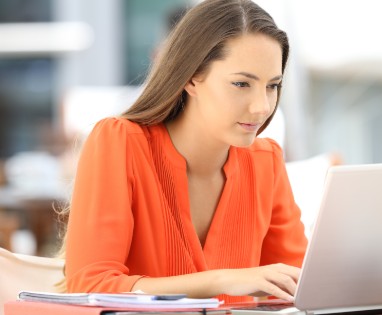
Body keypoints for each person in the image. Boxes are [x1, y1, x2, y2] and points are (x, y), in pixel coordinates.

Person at [58, 0, 308, 304]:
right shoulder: (120, 142)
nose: (262, 107)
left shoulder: (265, 160)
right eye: (242, 84)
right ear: (191, 77)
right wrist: (223, 279)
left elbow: (299, 283)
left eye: (272, 85)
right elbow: (90, 286)